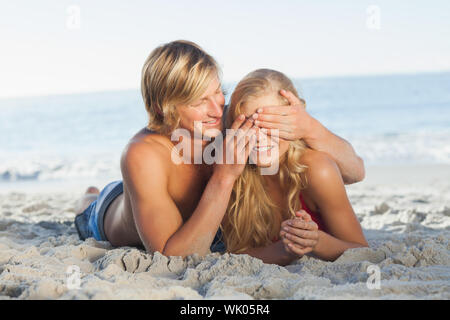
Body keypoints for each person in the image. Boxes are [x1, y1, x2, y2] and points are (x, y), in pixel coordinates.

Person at [74, 40, 365, 259]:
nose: (217, 109)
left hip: (206, 231)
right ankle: (89, 197)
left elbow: (354, 172)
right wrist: (224, 176)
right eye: (200, 101)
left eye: (219, 92)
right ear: (165, 108)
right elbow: (172, 257)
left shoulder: (225, 120)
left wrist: (309, 128)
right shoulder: (143, 154)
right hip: (116, 216)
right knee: (90, 204)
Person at [220, 69, 369, 265]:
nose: (259, 137)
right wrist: (284, 251)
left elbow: (362, 251)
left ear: (294, 123)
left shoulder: (317, 170)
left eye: (272, 124)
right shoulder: (234, 171)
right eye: (249, 125)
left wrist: (316, 242)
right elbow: (236, 254)